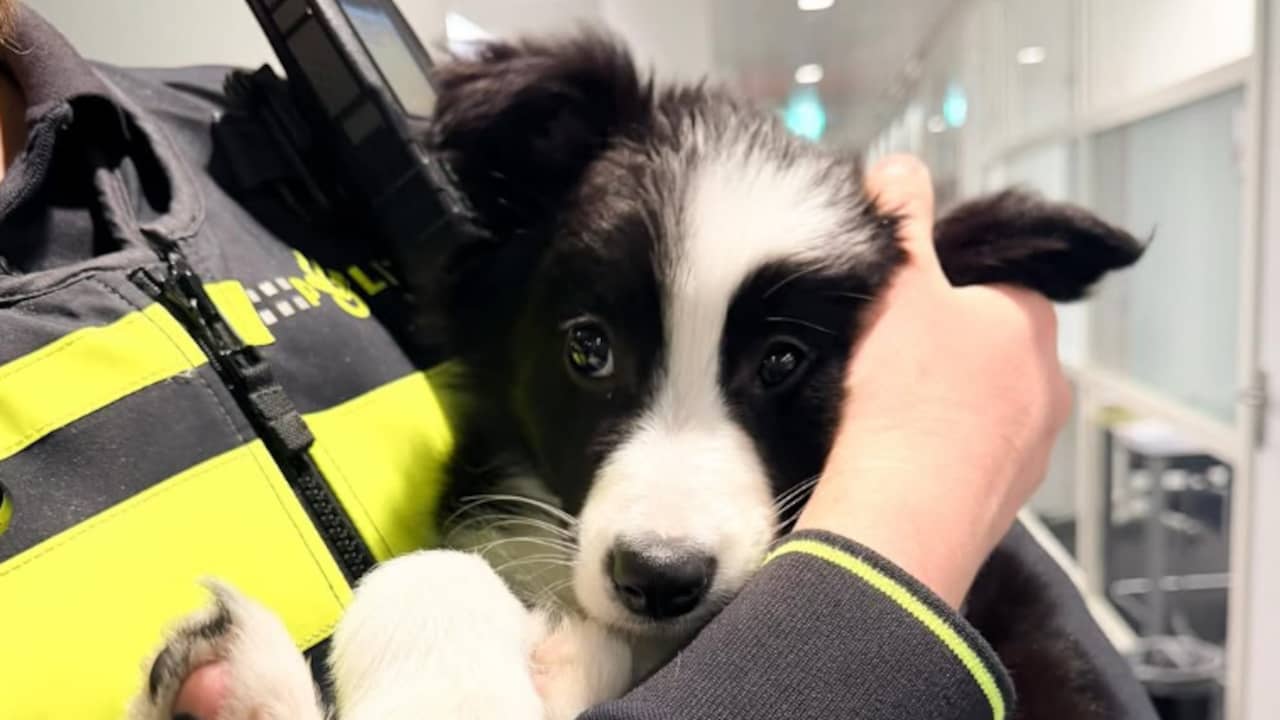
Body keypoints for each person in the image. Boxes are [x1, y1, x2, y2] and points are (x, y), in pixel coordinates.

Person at [0, 3, 1157, 718]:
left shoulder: (261, 136)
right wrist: (913, 509)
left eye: (778, 364)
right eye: (595, 347)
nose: (665, 519)